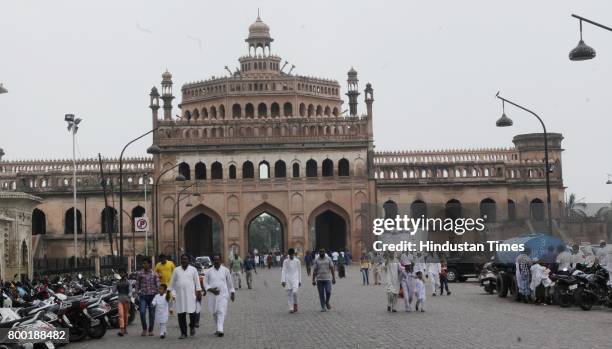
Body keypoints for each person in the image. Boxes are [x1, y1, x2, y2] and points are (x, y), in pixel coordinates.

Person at [170, 254, 202, 339]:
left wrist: (199, 292)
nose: (184, 261)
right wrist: (170, 293)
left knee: (192, 313)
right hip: (180, 296)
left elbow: (197, 282)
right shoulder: (176, 270)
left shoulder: (193, 270)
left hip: (190, 295)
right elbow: (172, 283)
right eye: (182, 259)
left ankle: (192, 327)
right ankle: (183, 333)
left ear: (188, 260)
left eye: (185, 259)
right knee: (181, 314)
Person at [205, 255, 235, 337]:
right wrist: (211, 290)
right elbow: (205, 284)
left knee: (221, 311)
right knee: (214, 312)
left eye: (217, 260)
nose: (216, 261)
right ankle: (217, 328)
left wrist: (232, 292)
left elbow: (230, 283)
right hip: (212, 296)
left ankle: (220, 330)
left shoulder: (225, 270)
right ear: (212, 261)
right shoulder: (208, 271)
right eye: (214, 260)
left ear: (220, 260)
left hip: (223, 295)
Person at [136, 257, 160, 336]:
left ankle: (151, 330)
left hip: (152, 296)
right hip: (143, 296)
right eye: (143, 263)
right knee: (142, 312)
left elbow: (158, 285)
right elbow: (137, 284)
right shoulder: (140, 273)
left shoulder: (154, 274)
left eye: (145, 263)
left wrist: (158, 295)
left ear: (149, 264)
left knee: (152, 313)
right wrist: (136, 293)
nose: (143, 265)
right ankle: (144, 329)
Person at [281, 248, 302, 313]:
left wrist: (299, 280)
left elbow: (299, 271)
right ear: (289, 254)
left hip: (295, 278)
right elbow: (283, 270)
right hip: (288, 279)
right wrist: (283, 280)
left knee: (294, 292)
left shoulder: (297, 261)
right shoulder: (285, 261)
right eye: (290, 255)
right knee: (289, 294)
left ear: (294, 254)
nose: (291, 256)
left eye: (292, 255)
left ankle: (295, 303)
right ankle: (291, 307)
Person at [115, 268, 131, 337]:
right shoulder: (117, 282)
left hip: (126, 300)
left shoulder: (128, 282)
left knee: (125, 315)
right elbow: (113, 290)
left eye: (122, 273)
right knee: (121, 314)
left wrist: (129, 296)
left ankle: (125, 328)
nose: (121, 274)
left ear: (125, 273)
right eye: (120, 273)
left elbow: (130, 291)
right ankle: (121, 329)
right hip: (120, 300)